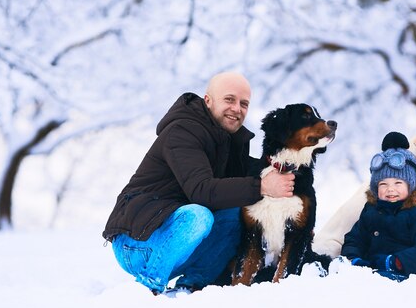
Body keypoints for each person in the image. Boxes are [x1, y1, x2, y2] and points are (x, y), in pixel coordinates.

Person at [102, 72, 295, 295]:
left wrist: (283, 161)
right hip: (136, 243)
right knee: (199, 215)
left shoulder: (231, 141)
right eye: (229, 99)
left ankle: (192, 286)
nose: (237, 109)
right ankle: (149, 287)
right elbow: (201, 191)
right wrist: (262, 186)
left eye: (244, 103)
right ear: (208, 101)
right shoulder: (182, 131)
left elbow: (241, 184)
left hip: (180, 245)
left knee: (238, 212)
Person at [341, 131, 416, 281]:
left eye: (398, 183)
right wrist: (354, 259)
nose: (390, 189)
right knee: (344, 273)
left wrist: (395, 262)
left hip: (412, 275)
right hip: (374, 269)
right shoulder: (372, 209)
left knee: (378, 282)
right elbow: (355, 238)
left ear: (411, 185)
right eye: (383, 184)